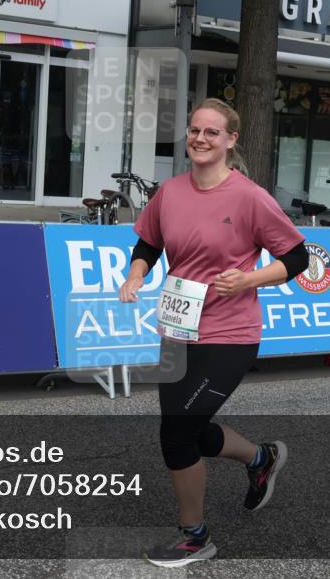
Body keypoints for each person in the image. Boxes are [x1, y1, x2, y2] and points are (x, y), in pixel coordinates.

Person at [119, 98, 309, 568]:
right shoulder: (171, 191)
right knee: (189, 431)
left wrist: (250, 278)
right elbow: (148, 242)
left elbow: (298, 257)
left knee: (176, 434)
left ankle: (195, 537)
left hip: (230, 334)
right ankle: (261, 458)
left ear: (230, 140)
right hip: (177, 328)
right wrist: (136, 273)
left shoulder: (249, 197)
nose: (200, 139)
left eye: (211, 132)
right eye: (194, 130)